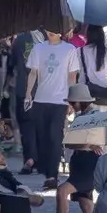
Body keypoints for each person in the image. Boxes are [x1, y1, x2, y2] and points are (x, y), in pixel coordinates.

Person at [21, 28, 83, 188]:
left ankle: (52, 175)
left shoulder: (69, 50)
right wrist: (28, 93)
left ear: (62, 32)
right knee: (42, 137)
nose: (51, 32)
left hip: (60, 100)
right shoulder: (39, 48)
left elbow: (72, 76)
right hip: (40, 99)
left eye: (55, 30)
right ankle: (45, 168)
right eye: (49, 29)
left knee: (55, 137)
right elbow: (33, 72)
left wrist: (72, 99)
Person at [46, 85, 102, 213]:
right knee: (86, 206)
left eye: (72, 101)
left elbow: (93, 142)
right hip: (79, 162)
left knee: (62, 191)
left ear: (79, 101)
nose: (70, 104)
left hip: (89, 164)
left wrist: (85, 143)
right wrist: (82, 142)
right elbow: (69, 142)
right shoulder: (79, 117)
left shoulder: (95, 116)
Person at [77, 24, 107, 102]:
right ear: (102, 35)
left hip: (85, 93)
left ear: (88, 34)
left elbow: (77, 71)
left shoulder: (80, 51)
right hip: (105, 93)